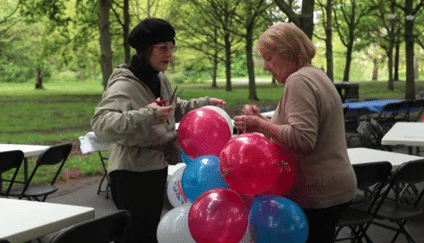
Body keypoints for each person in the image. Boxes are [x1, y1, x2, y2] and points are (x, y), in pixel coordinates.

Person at [91, 18, 226, 243]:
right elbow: (101, 124)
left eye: (172, 48)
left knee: (149, 230)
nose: (169, 54)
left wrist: (204, 102)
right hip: (131, 174)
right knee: (135, 235)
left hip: (156, 166)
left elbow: (173, 108)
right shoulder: (124, 84)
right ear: (145, 50)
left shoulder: (159, 77)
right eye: (162, 48)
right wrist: (148, 114)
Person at [233, 22, 357, 243]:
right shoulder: (316, 75)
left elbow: (303, 138)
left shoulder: (298, 81)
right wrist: (261, 121)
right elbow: (300, 128)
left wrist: (260, 126)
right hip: (335, 188)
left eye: (269, 58)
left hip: (317, 193)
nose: (265, 67)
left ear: (288, 53)